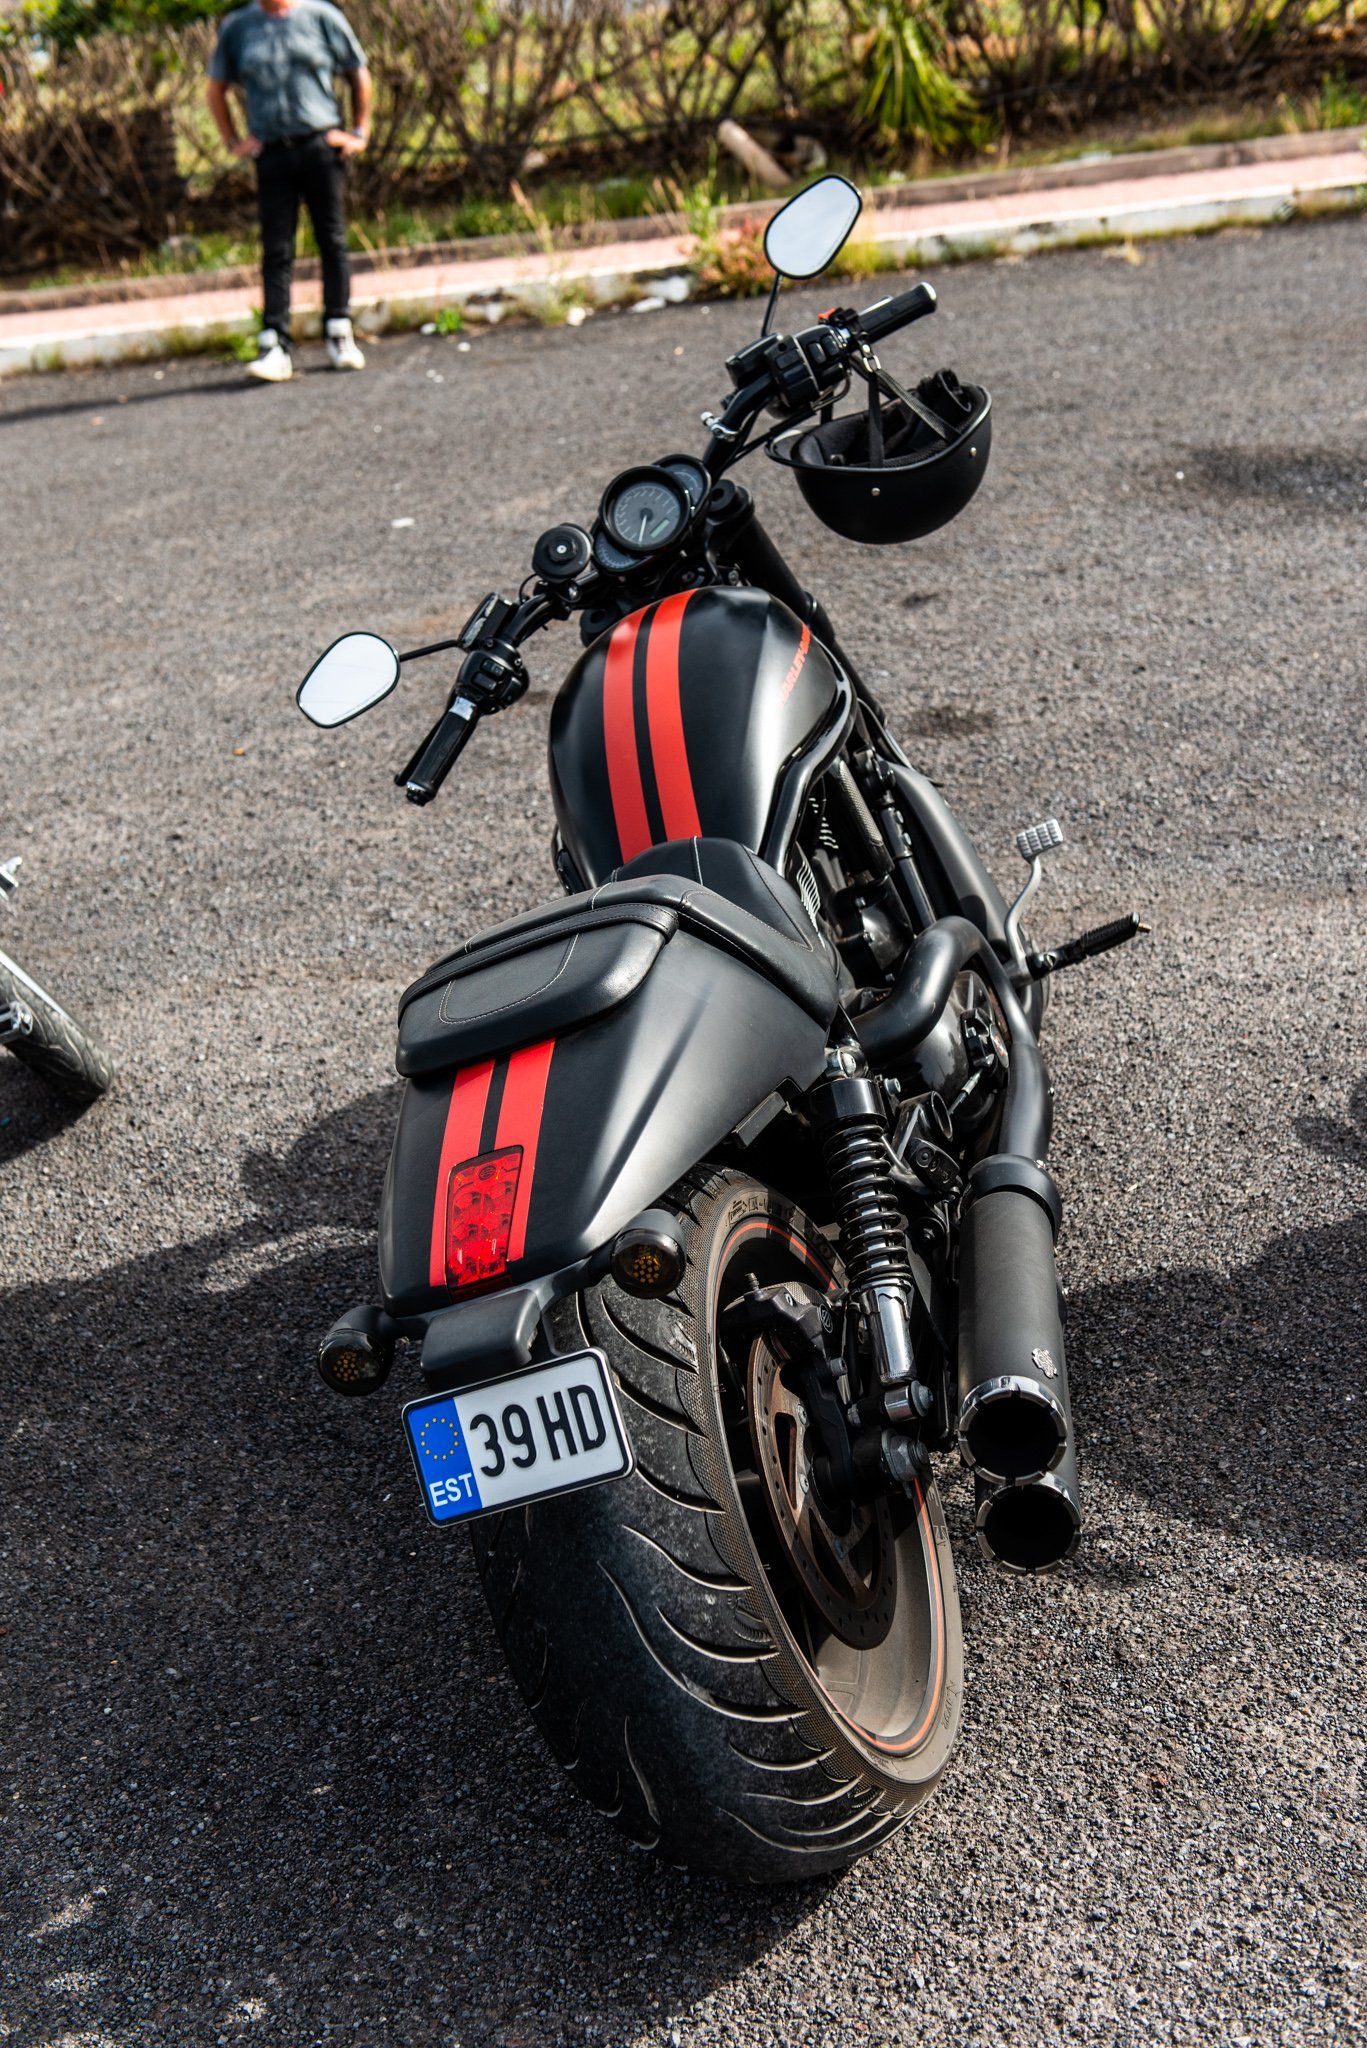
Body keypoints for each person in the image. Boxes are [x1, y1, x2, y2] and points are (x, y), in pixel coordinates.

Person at [206, 0, 372, 382]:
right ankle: (275, 342)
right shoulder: (238, 27)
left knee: (331, 239)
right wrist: (233, 141)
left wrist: (359, 132)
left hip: (320, 145)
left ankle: (338, 329)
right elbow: (216, 89)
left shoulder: (321, 17)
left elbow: (357, 72)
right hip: (271, 152)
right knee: (276, 249)